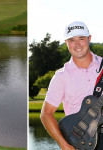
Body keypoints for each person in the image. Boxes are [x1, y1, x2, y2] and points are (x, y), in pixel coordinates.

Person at [40, 21, 103, 150]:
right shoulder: (61, 77)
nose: (77, 44)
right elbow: (46, 114)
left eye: (81, 38)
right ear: (66, 43)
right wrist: (64, 145)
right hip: (81, 143)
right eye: (72, 40)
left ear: (89, 39)